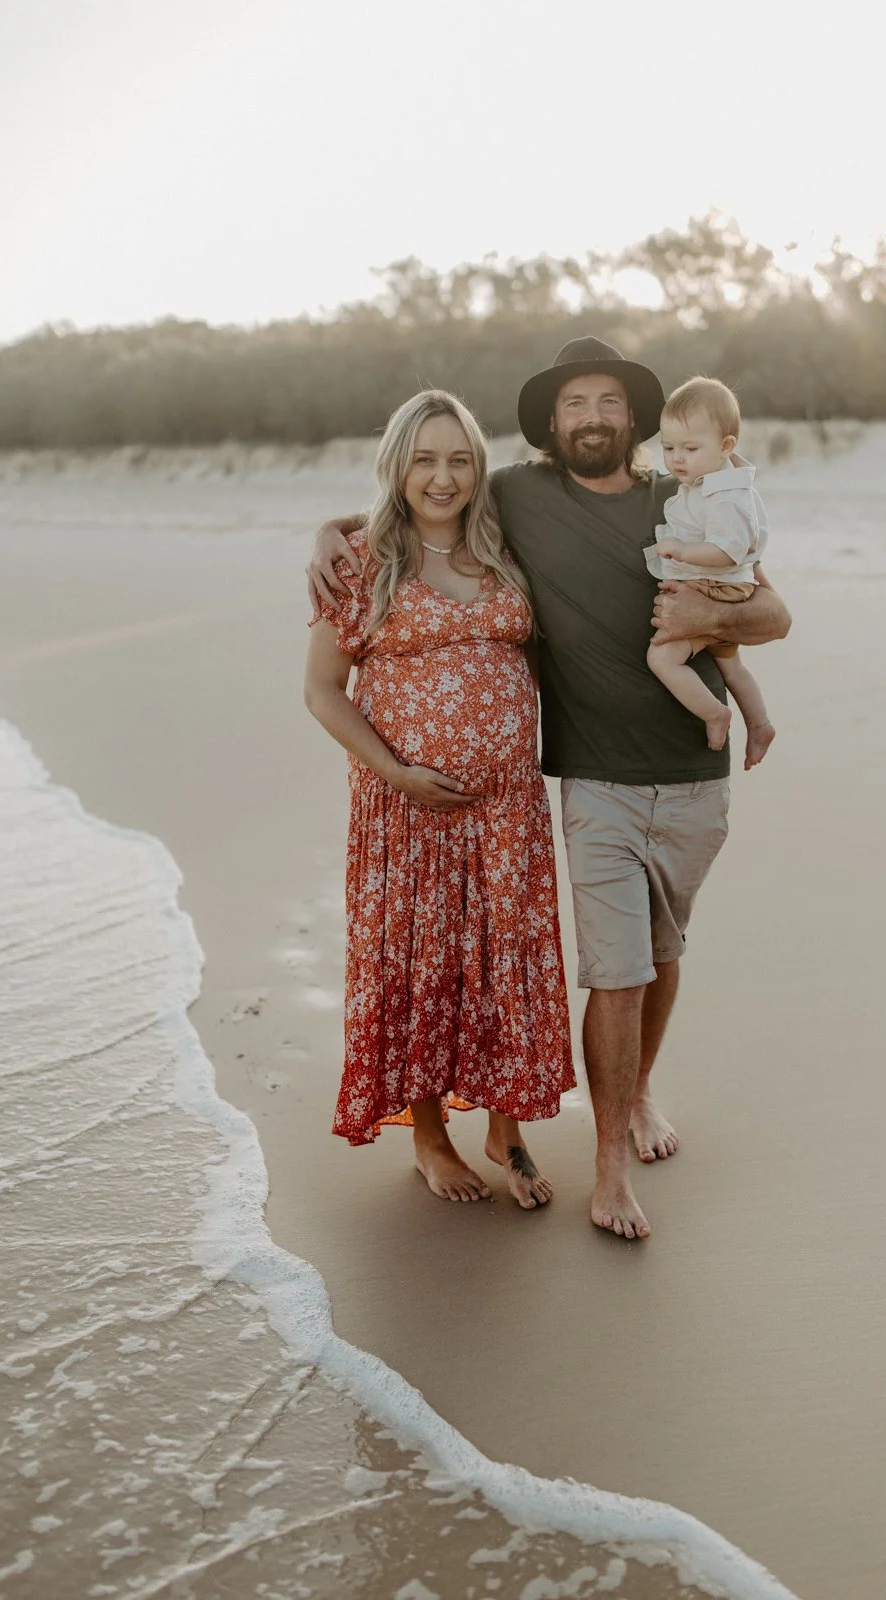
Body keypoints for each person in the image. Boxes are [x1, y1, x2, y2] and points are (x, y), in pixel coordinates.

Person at [307, 339, 791, 1240]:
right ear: (551, 421)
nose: (593, 417)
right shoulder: (505, 504)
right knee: (538, 969)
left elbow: (773, 611)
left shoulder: (664, 503)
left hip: (603, 789)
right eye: (575, 403)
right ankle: (525, 1155)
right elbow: (415, 506)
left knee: (611, 957)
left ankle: (574, 1113)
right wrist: (330, 529)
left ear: (634, 416)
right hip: (513, 792)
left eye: (608, 401)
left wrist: (706, 615)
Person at [303, 388, 575, 1210]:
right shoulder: (360, 563)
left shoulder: (505, 548)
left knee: (501, 962)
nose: (442, 477)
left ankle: (505, 1131)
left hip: (507, 811)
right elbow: (322, 691)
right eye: (423, 459)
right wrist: (396, 772)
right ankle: (429, 1140)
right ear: (397, 466)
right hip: (406, 811)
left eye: (459, 459)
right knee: (420, 967)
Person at [644, 376, 776, 770]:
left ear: (726, 446)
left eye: (690, 448)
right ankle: (760, 723)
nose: (676, 459)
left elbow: (728, 549)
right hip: (722, 586)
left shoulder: (724, 496)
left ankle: (714, 713)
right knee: (731, 666)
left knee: (662, 659)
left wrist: (683, 550)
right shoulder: (707, 482)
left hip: (712, 588)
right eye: (668, 447)